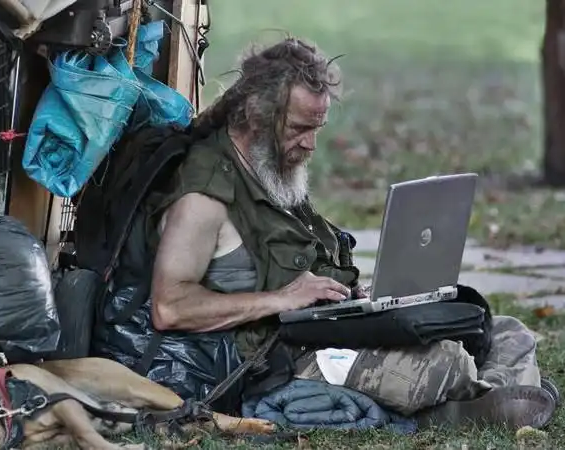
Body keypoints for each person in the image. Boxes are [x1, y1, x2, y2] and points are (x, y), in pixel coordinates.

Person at [144, 37, 557, 427]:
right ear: (257, 115)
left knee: (506, 330)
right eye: (299, 128)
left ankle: (487, 397)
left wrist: (354, 299)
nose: (310, 145)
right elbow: (170, 307)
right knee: (446, 360)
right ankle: (489, 397)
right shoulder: (204, 196)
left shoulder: (269, 167)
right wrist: (280, 299)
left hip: (327, 330)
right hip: (286, 359)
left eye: (316, 129)